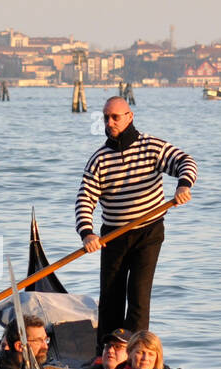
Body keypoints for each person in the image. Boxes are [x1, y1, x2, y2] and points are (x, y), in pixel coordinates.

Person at [76, 96, 197, 342]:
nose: (109, 123)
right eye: (106, 118)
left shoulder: (151, 146)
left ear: (129, 116)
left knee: (139, 296)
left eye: (115, 117)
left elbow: (186, 162)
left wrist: (183, 186)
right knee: (111, 297)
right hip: (112, 235)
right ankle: (105, 354)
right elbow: (84, 200)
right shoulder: (99, 159)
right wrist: (87, 233)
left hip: (148, 232)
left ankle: (135, 352)